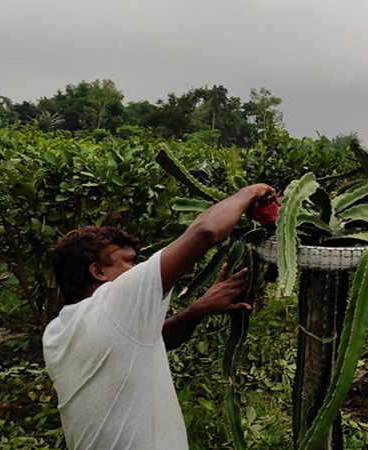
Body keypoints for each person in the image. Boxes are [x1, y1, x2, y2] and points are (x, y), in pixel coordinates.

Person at [42, 184, 276, 449]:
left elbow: (147, 342)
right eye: (129, 261)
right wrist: (251, 192)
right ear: (98, 272)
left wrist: (195, 311)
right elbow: (205, 231)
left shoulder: (56, 332)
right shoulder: (115, 300)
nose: (137, 268)